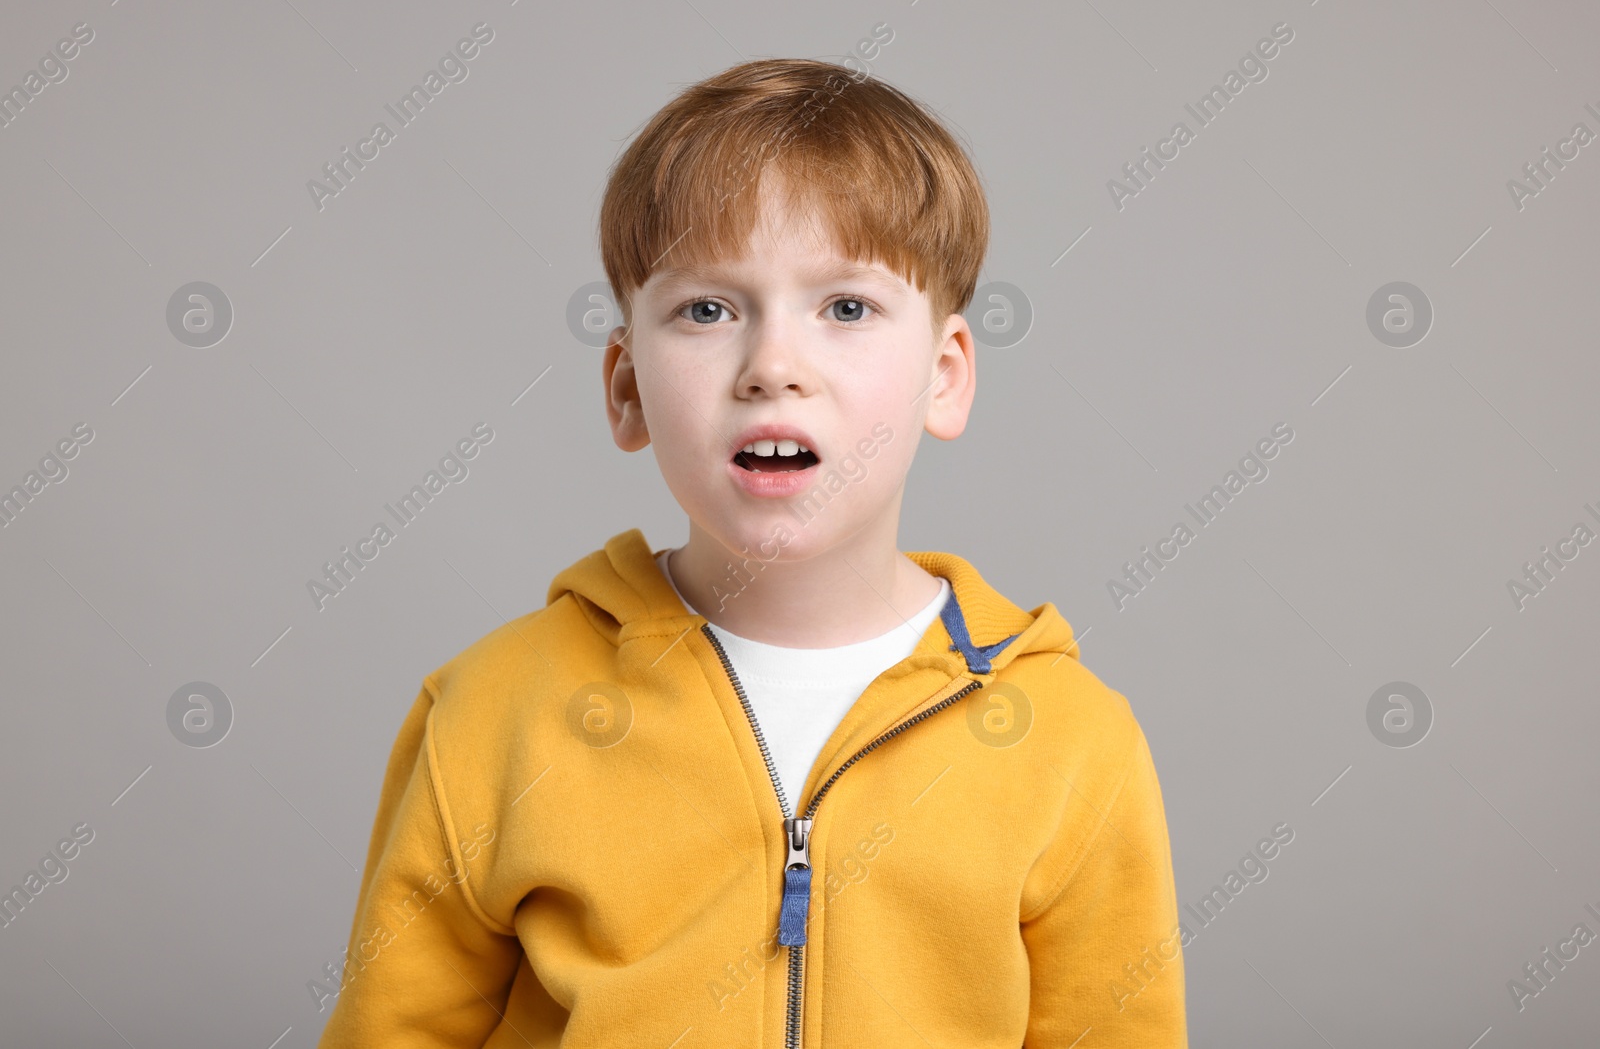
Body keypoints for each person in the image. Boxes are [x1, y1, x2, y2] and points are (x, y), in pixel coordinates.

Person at [317, 57, 1187, 1048]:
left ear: (944, 378)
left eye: (846, 308)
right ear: (626, 388)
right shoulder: (492, 712)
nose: (773, 366)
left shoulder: (1068, 738)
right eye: (707, 309)